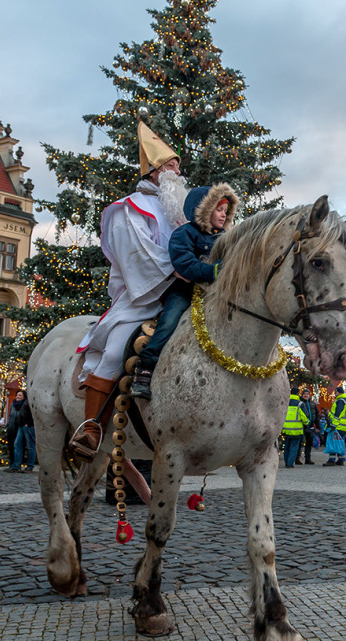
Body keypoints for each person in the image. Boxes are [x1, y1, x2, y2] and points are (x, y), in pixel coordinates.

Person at [71, 121, 188, 454]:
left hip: (187, 290)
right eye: (170, 165)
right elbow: (138, 256)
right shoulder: (128, 208)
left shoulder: (179, 211)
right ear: (152, 172)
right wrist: (178, 273)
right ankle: (90, 427)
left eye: (177, 164)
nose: (177, 171)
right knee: (114, 349)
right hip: (144, 297)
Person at [131, 183, 239, 399]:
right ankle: (145, 367)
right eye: (218, 209)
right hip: (185, 292)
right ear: (204, 209)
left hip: (215, 295)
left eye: (225, 211)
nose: (223, 215)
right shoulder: (185, 233)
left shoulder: (227, 238)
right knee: (169, 320)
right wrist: (214, 271)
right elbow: (184, 263)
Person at [281, 388, 309, 468]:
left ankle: (286, 462)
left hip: (286, 429)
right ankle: (290, 463)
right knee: (294, 446)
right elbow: (304, 417)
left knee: (286, 446)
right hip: (296, 430)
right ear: (298, 393)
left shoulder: (286, 403)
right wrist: (307, 424)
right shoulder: (300, 404)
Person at [324, 386, 346, 466]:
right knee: (340, 443)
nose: (334, 394)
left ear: (338, 392)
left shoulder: (340, 401)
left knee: (333, 442)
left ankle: (331, 460)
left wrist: (333, 425)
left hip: (337, 426)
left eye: (335, 392)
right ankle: (341, 459)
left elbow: (337, 414)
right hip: (343, 426)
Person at [10, 398, 37, 473]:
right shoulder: (27, 400)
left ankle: (30, 467)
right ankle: (16, 466)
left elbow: (34, 411)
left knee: (31, 446)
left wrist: (29, 423)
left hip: (28, 425)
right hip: (22, 425)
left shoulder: (32, 399)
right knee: (17, 444)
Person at [4, 389, 26, 466]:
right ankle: (12, 463)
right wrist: (8, 424)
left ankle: (18, 463)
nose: (18, 397)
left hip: (20, 427)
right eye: (17, 395)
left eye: (20, 395)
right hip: (11, 427)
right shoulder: (13, 405)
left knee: (18, 446)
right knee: (11, 446)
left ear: (24, 397)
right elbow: (10, 415)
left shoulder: (24, 405)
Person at [298, 387, 318, 464]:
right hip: (301, 426)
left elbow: (316, 415)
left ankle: (307, 459)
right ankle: (297, 458)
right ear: (302, 395)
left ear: (309, 395)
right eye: (304, 394)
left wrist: (318, 426)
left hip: (311, 426)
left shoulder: (312, 404)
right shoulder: (300, 403)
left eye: (307, 394)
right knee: (299, 443)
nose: (306, 395)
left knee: (309, 443)